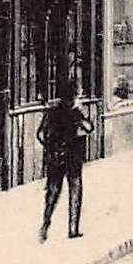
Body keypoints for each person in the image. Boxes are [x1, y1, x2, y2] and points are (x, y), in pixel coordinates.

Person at [36, 87, 94, 242]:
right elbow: (89, 128)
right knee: (75, 190)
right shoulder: (77, 112)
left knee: (52, 192)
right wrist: (81, 115)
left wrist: (50, 146)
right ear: (75, 96)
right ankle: (73, 229)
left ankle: (45, 224)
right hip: (73, 156)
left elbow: (40, 134)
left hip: (56, 156)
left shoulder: (52, 111)